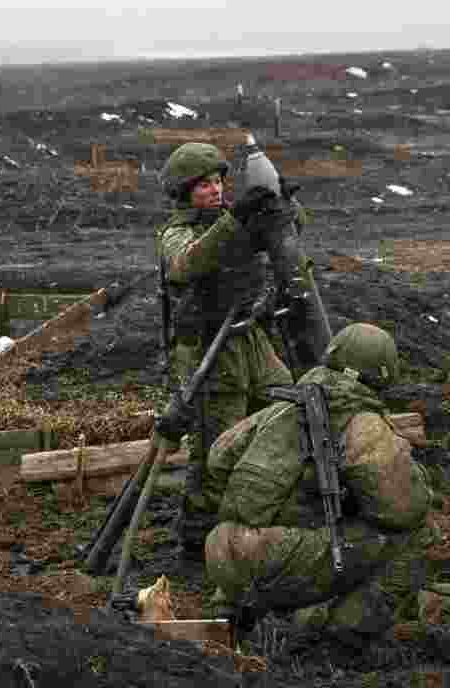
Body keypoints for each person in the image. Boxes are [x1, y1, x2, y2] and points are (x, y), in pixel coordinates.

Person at [202, 323, 435, 648]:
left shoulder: (282, 407)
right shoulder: (362, 423)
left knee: (273, 522)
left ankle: (229, 616)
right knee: (418, 534)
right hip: (272, 558)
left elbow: (217, 458)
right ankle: (344, 636)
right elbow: (403, 510)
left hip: (219, 552)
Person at [156, 141, 295, 558]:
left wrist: (283, 204)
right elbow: (188, 263)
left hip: (249, 338)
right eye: (204, 185)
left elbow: (285, 236)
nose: (215, 190)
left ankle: (264, 508)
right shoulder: (177, 233)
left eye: (218, 182)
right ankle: (198, 537)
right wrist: (236, 220)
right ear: (185, 192)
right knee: (216, 448)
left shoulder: (233, 220)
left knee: (286, 408)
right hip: (209, 350)